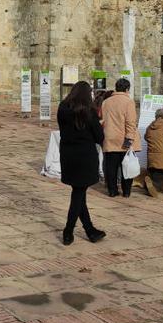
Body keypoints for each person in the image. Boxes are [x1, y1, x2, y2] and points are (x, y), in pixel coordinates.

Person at [57, 81, 107, 245]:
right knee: (78, 194)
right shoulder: (89, 111)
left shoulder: (62, 108)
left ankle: (90, 230)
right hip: (84, 156)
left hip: (68, 155)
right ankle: (68, 231)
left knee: (80, 193)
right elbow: (99, 137)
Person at [101, 79, 140, 197]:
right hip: (124, 139)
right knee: (127, 166)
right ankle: (126, 191)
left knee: (111, 167)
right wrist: (129, 138)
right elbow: (131, 122)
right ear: (127, 89)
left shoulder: (106, 102)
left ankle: (112, 190)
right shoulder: (129, 102)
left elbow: (103, 120)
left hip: (109, 137)